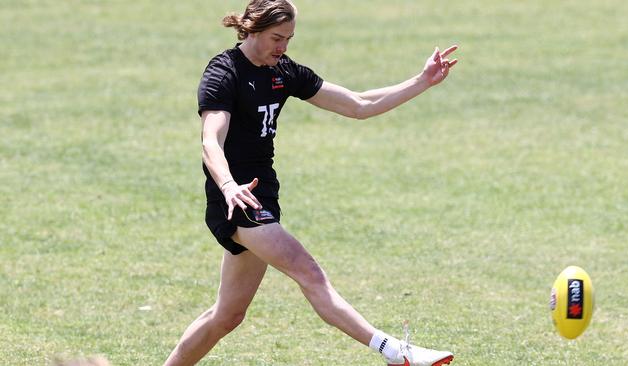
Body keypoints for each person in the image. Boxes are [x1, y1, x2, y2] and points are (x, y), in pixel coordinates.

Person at [163, 1, 458, 365]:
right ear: (252, 28)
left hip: (263, 195)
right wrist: (227, 186)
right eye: (276, 38)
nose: (282, 47)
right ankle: (395, 352)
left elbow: (358, 104)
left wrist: (422, 81)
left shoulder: (282, 72)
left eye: (288, 38)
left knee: (227, 315)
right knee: (309, 272)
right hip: (238, 201)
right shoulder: (224, 72)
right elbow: (211, 140)